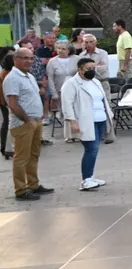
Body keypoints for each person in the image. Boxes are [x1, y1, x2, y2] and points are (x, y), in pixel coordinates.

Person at [5, 49, 51, 201]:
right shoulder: (13, 78)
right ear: (15, 59)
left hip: (35, 120)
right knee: (21, 157)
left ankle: (33, 184)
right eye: (25, 58)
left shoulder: (29, 76)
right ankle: (20, 190)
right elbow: (12, 103)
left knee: (33, 155)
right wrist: (26, 119)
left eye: (31, 58)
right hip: (23, 123)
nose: (29, 61)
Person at [61, 56, 112, 191]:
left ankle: (91, 176)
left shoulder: (96, 82)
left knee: (95, 149)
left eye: (93, 68)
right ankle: (86, 180)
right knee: (91, 149)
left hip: (100, 119)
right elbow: (67, 104)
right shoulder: (71, 84)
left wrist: (109, 117)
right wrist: (72, 121)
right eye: (89, 68)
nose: (92, 70)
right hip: (85, 121)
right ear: (80, 70)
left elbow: (103, 100)